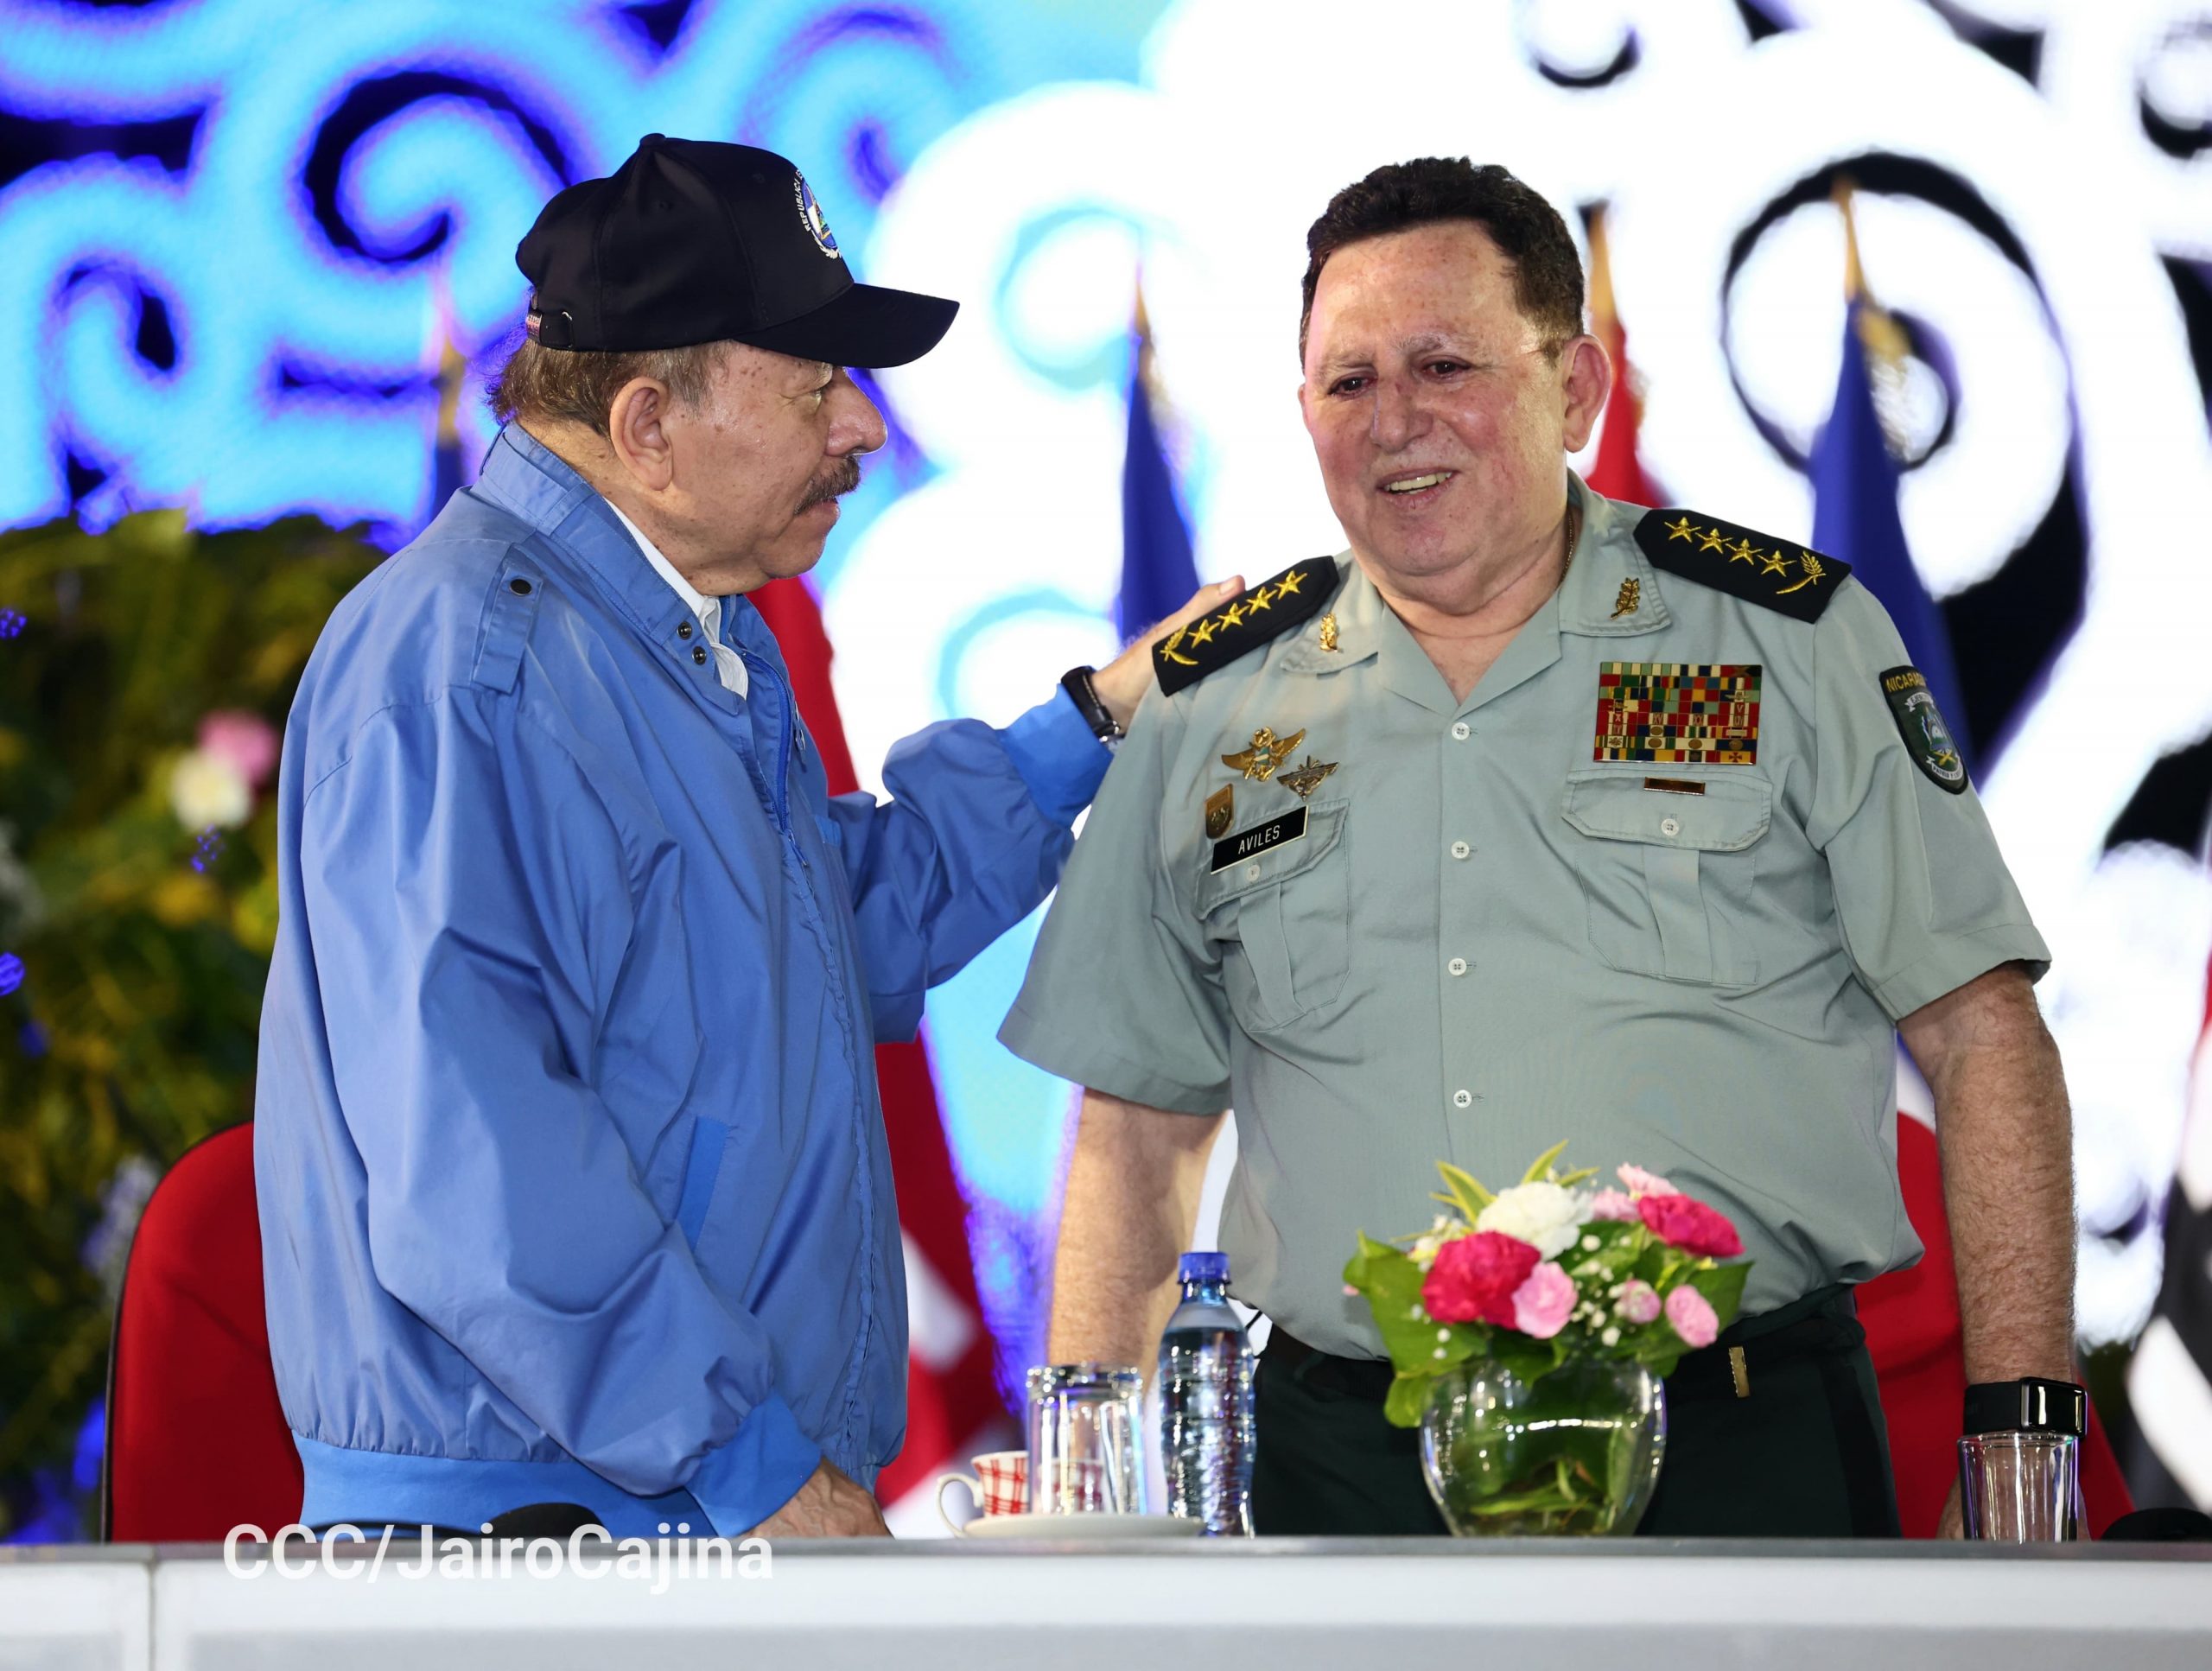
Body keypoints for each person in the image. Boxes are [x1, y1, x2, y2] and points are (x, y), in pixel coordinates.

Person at [1001, 157, 2077, 1538]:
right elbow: (1137, 1132)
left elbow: (1985, 1038)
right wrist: (1096, 1503)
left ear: (1575, 390)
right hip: (1353, 1467)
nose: (1395, 424)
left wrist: (2023, 1440)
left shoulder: (1789, 641)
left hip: (1738, 1449)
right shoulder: (1211, 705)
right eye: (1349, 381)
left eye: (1445, 364)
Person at [254, 135, 1227, 1541]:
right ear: (648, 424)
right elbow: (481, 1163)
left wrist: (1099, 716)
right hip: (549, 1542)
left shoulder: (668, 638)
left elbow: (825, 932)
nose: (866, 429)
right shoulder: (464, 666)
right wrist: (748, 1460)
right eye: (820, 383)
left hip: (657, 1505)